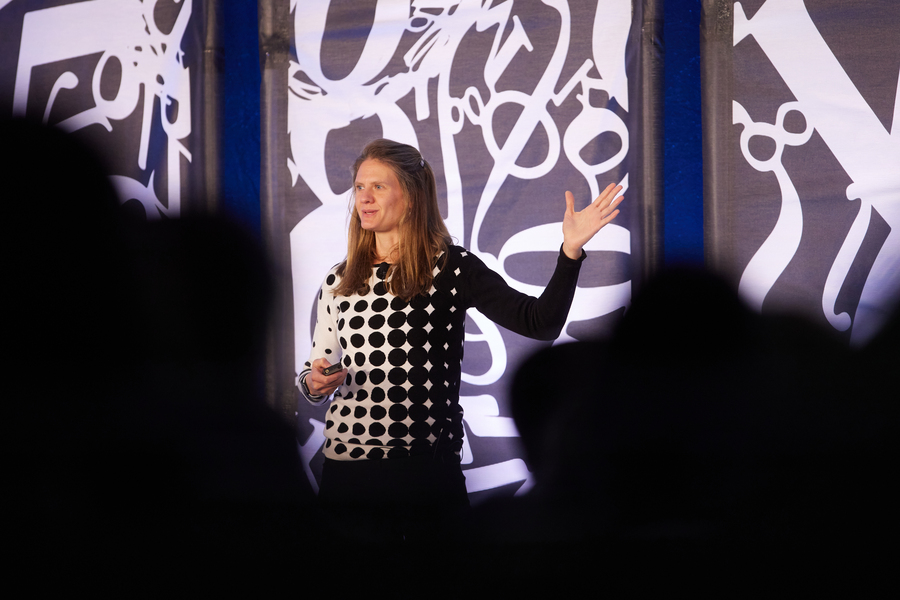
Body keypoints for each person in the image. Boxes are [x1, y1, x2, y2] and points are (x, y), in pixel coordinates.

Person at [296, 138, 623, 550]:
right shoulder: (339, 279)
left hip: (426, 476)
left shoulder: (451, 267)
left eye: (378, 186)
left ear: (411, 196)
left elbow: (540, 323)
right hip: (347, 478)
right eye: (360, 187)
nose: (365, 197)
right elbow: (315, 370)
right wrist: (315, 383)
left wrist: (570, 252)